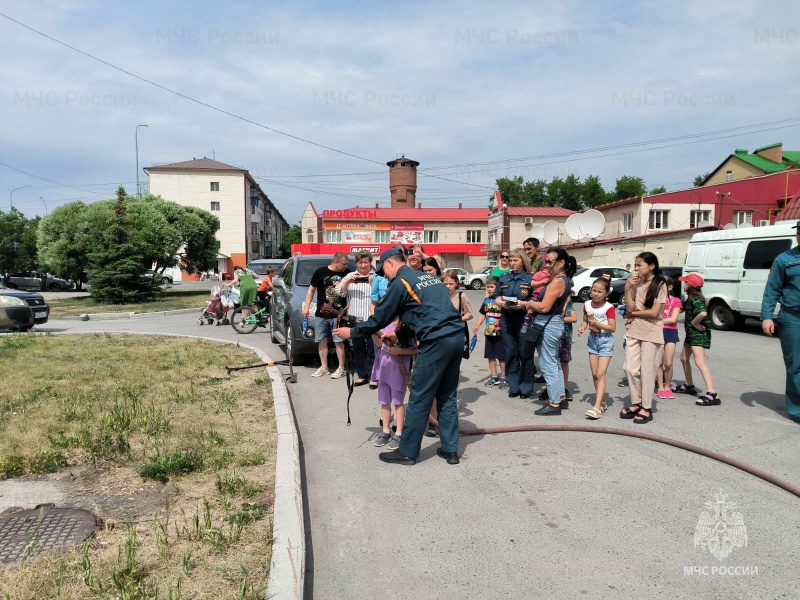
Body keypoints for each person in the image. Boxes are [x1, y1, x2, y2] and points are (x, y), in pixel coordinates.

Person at [333, 247, 464, 466]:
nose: (385, 277)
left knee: (420, 397)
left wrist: (353, 332)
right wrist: (398, 334)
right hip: (456, 338)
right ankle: (450, 450)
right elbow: (425, 313)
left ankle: (407, 452)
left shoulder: (400, 282)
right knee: (447, 395)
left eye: (384, 272)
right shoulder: (429, 279)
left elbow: (380, 317)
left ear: (390, 263)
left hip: (435, 342)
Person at [526, 247, 575, 415]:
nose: (546, 265)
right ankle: (560, 397)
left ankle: (554, 403)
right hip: (553, 324)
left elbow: (544, 307)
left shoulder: (558, 282)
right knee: (554, 362)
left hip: (548, 324)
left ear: (561, 263)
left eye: (549, 261)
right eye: (545, 261)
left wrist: (529, 303)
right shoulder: (563, 280)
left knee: (548, 364)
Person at [619, 252, 668, 424]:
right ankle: (636, 402)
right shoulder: (636, 282)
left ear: (652, 266)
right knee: (630, 368)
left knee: (648, 371)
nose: (636, 268)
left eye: (639, 265)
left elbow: (654, 313)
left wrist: (632, 314)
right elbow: (630, 307)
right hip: (635, 330)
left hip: (652, 332)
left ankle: (646, 407)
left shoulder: (660, 284)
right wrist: (627, 288)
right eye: (635, 265)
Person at [425, 269, 472, 436]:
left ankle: (454, 391)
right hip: (440, 337)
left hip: (457, 334)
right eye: (445, 283)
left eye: (451, 283)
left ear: (457, 284)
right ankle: (434, 419)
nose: (448, 286)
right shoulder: (439, 296)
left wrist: (457, 319)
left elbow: (469, 314)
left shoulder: (461, 296)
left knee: (453, 368)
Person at [762, 221, 800, 422]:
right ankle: (797, 410)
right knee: (795, 365)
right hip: (792, 318)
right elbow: (772, 289)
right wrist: (767, 316)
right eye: (799, 233)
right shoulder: (784, 259)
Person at [302, 252, 351, 379]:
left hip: (338, 314)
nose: (345, 266)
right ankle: (324, 367)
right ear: (336, 262)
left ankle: (341, 368)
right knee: (321, 340)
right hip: (322, 313)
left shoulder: (347, 273)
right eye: (343, 264)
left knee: (339, 341)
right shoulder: (320, 272)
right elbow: (311, 290)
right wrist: (306, 307)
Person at [493, 249, 534, 398]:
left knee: (525, 352)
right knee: (510, 351)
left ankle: (526, 387)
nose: (512, 263)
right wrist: (500, 302)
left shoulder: (530, 278)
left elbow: (536, 299)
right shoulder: (504, 278)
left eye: (515, 260)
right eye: (510, 260)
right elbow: (497, 296)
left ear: (523, 261)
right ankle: (514, 386)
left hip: (524, 318)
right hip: (507, 318)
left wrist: (523, 304)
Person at [674, 274, 718, 406]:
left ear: (690, 285)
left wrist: (694, 323)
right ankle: (689, 385)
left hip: (698, 335)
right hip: (691, 334)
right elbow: (680, 309)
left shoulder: (696, 300)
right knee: (684, 358)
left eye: (685, 283)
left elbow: (703, 313)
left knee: (700, 362)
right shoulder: (690, 299)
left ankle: (712, 394)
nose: (683, 285)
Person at [371, 321, 415, 450]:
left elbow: (413, 349)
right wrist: (372, 332)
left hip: (398, 371)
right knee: (384, 401)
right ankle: (385, 431)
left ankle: (399, 433)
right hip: (383, 368)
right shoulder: (384, 324)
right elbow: (379, 344)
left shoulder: (405, 328)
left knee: (397, 402)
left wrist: (399, 350)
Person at [577, 278, 616, 419]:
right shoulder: (587, 304)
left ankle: (597, 407)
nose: (596, 293)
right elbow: (585, 321)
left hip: (605, 341)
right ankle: (602, 402)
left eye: (600, 292)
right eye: (594, 290)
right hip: (592, 340)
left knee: (600, 374)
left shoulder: (609, 307)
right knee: (594, 374)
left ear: (606, 293)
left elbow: (612, 327)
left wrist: (597, 324)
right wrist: (582, 328)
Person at [337, 251, 375, 386]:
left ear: (370, 262)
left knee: (372, 348)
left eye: (365, 262)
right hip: (355, 319)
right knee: (358, 348)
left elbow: (384, 293)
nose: (363, 265)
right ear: (356, 263)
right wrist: (348, 282)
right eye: (360, 262)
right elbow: (338, 292)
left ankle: (373, 376)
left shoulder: (377, 276)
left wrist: (373, 282)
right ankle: (362, 375)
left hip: (371, 318)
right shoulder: (350, 275)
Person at [473, 277, 507, 388]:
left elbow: (507, 315)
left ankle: (504, 377)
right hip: (489, 332)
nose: (489, 289)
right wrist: (477, 325)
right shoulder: (487, 300)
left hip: (500, 333)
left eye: (491, 287)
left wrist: (500, 321)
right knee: (490, 355)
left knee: (502, 356)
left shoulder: (502, 300)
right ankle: (494, 376)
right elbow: (483, 314)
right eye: (487, 287)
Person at [657, 277, 682, 399]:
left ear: (670, 287)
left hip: (670, 332)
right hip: (657, 332)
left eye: (662, 285)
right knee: (659, 362)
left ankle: (667, 386)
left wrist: (657, 321)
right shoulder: (655, 300)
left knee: (668, 362)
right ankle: (660, 387)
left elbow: (673, 319)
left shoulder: (676, 301)